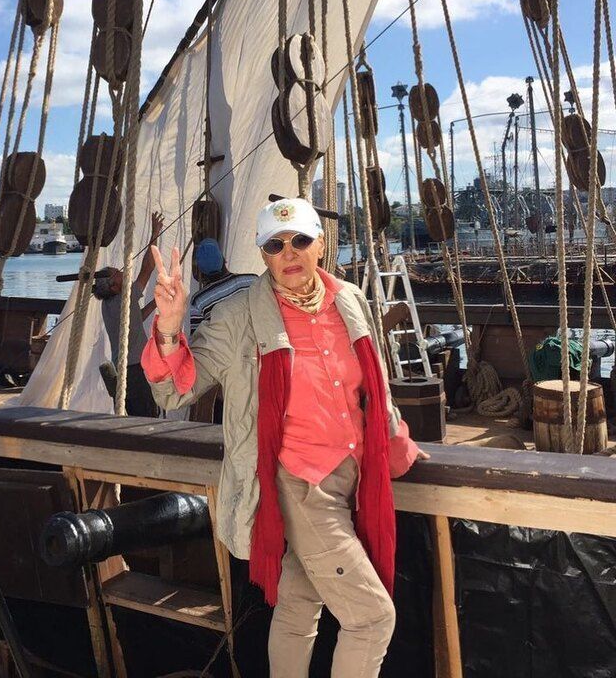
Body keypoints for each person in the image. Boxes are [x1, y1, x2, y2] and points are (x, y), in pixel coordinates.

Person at [141, 197, 429, 677]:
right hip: (301, 484)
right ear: (263, 255)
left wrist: (397, 442)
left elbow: (372, 387)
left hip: (352, 476)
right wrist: (169, 327)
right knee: (372, 618)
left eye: (300, 240)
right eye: (275, 245)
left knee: (298, 605)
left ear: (322, 244)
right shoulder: (239, 315)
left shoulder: (349, 299)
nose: (289, 252)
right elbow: (173, 390)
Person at [94, 211, 164, 417]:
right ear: (114, 286)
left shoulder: (109, 304)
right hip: (136, 370)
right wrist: (154, 234)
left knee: (136, 417)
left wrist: (155, 303)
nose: (123, 273)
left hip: (126, 369)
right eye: (118, 274)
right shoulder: (124, 297)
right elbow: (147, 268)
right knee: (147, 417)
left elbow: (134, 320)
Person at [190, 237, 256, 334]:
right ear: (223, 259)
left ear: (201, 270)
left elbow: (197, 337)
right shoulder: (252, 280)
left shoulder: (199, 301)